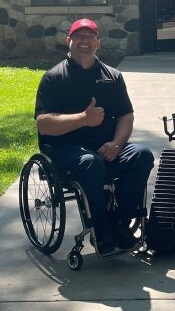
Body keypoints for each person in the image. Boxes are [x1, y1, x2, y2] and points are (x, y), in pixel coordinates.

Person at [35, 18, 154, 255]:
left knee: (142, 155)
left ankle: (120, 224)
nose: (84, 41)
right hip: (67, 148)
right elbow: (43, 125)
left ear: (98, 42)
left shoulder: (112, 76)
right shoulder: (54, 78)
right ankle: (101, 228)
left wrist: (118, 144)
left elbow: (126, 116)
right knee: (91, 163)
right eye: (79, 36)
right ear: (69, 40)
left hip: (107, 145)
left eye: (90, 37)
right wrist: (83, 119)